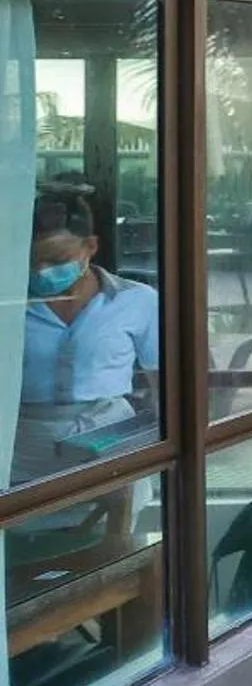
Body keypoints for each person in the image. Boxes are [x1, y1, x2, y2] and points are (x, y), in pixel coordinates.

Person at [14, 189, 158, 491]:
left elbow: (166, 381)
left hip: (110, 443)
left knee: (115, 534)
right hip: (21, 449)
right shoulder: (10, 306)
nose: (42, 271)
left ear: (91, 246)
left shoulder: (136, 301)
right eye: (33, 261)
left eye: (57, 260)